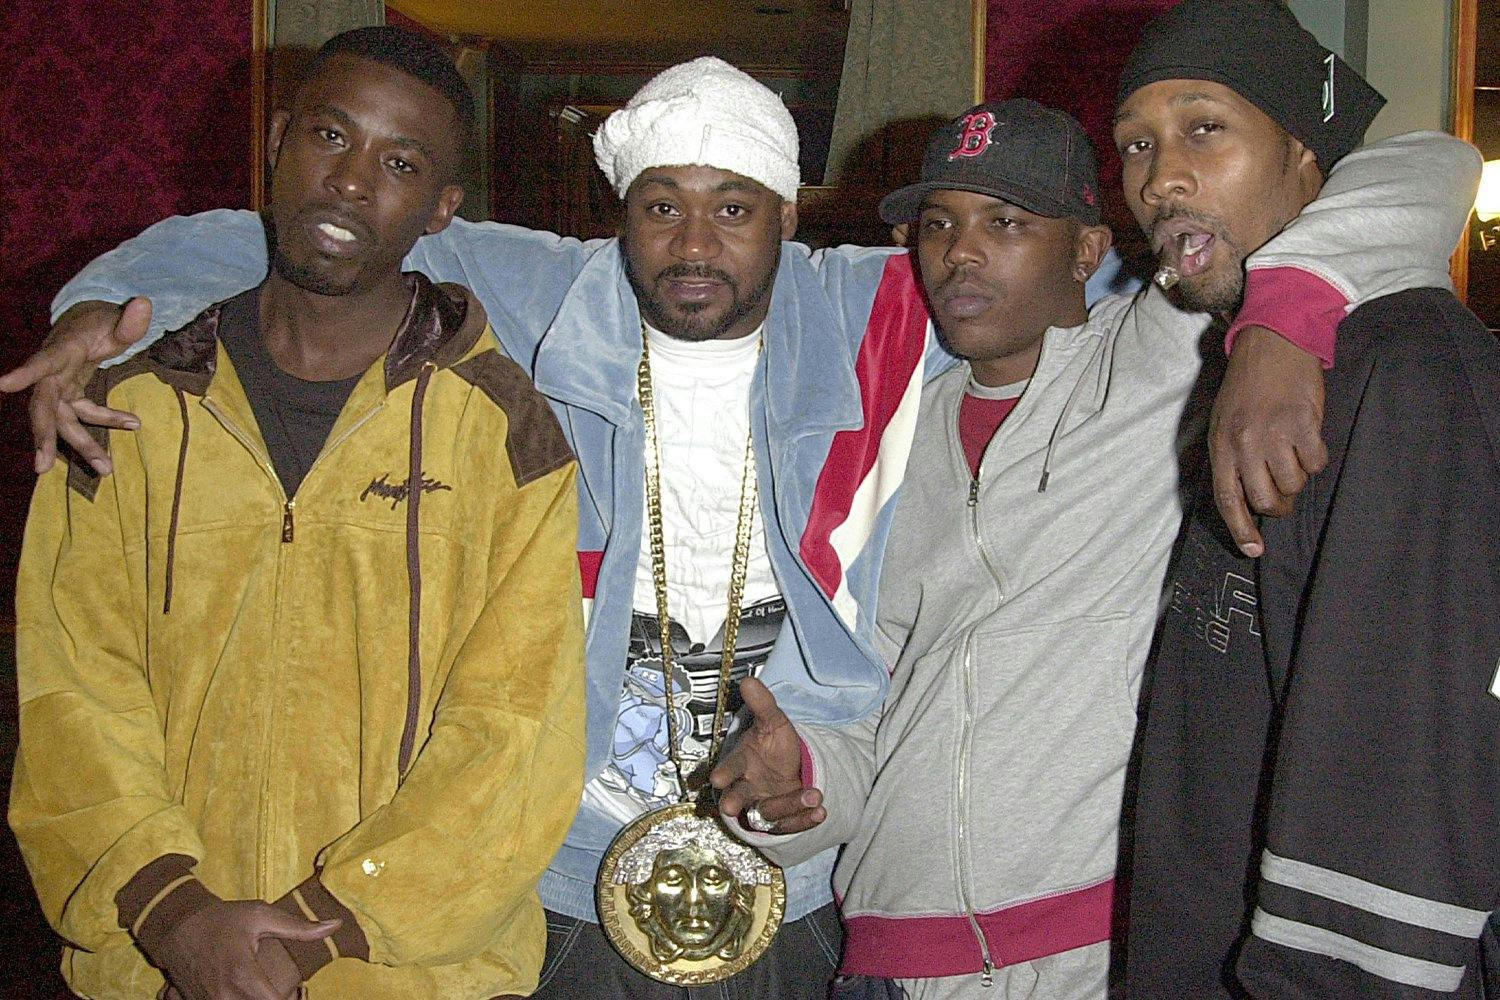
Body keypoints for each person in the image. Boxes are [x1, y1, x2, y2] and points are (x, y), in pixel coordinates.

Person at [8, 53, 1478, 1000]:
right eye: (659, 205)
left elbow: (1382, 180)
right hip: (567, 872)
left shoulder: (895, 293)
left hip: (819, 875)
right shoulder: (544, 292)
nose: (694, 243)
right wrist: (101, 304)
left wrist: (1286, 315)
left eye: (734, 208)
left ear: (794, 219)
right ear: (617, 216)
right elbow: (314, 228)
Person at [705, 84, 1478, 999]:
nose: (961, 255)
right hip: (883, 951)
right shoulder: (892, 439)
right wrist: (799, 783)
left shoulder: (1166, 357)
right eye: (940, 224)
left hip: (1082, 950)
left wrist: (1284, 316)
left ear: (1087, 249)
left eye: (1006, 221)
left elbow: (1433, 166)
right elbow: (875, 695)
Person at [8, 27, 586, 1000]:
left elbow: (516, 742)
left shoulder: (502, 432)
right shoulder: (128, 409)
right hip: (151, 964)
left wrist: (315, 937)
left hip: (407, 977)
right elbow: (72, 694)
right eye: (330, 135)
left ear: (443, 207)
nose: (352, 182)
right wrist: (174, 914)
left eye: (399, 163)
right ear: (278, 141)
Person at [1111, 2, 1500, 997]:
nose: (1161, 180)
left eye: (1206, 129)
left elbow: (1399, 777)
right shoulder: (1244, 360)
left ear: (1304, 155)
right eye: (1137, 146)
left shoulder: (1405, 372)